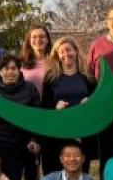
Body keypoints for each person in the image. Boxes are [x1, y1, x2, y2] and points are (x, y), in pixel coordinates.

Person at [40, 36, 98, 171]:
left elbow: (96, 101)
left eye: (69, 50)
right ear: (58, 56)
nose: (66, 55)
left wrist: (90, 102)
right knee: (57, 171)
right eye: (62, 52)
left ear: (76, 51)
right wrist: (55, 107)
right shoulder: (51, 77)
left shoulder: (87, 76)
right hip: (59, 132)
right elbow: (44, 105)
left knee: (81, 171)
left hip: (82, 131)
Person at [19, 24, 53, 92]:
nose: (38, 40)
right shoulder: (20, 63)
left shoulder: (54, 62)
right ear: (29, 41)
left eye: (41, 36)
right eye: (34, 37)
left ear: (47, 40)